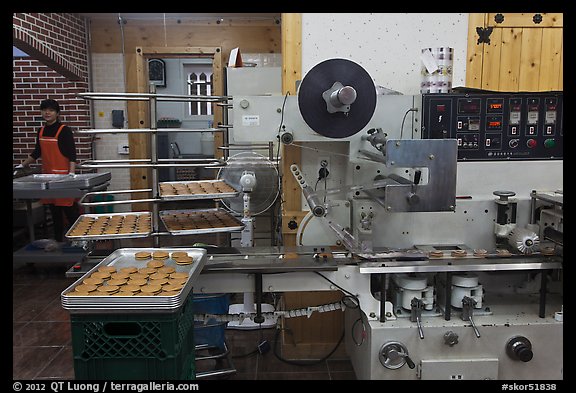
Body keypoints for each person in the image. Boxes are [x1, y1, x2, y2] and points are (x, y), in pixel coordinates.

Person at [20, 99, 80, 242]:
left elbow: (72, 154)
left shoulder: (64, 130)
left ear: (57, 113)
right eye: (44, 110)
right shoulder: (41, 131)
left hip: (63, 180)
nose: (47, 113)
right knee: (55, 214)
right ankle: (58, 244)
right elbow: (36, 152)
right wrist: (22, 165)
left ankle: (79, 242)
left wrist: (71, 174)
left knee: (71, 213)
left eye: (51, 110)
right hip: (47, 179)